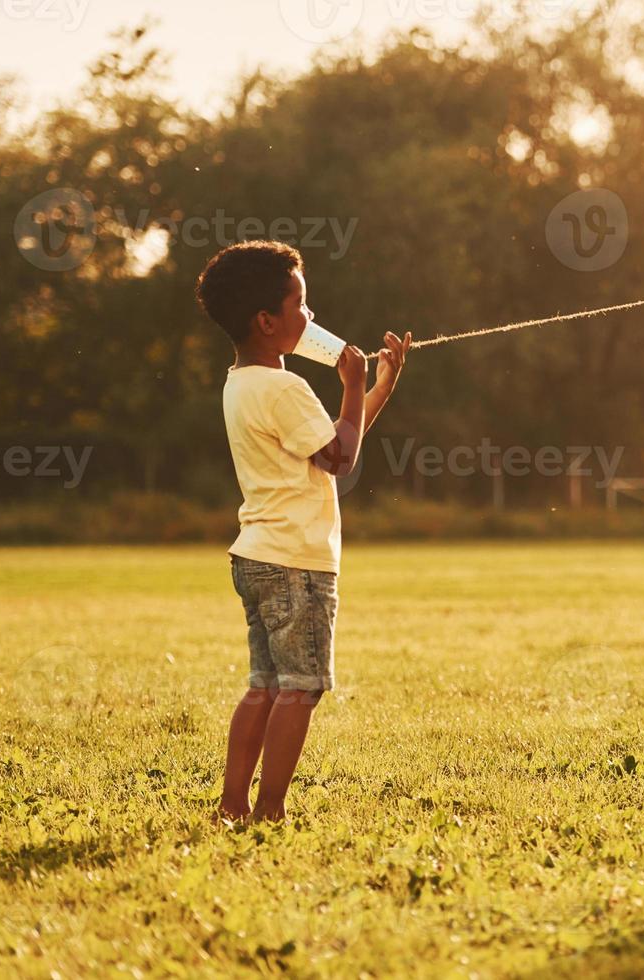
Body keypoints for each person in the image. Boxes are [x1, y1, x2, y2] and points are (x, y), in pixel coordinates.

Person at [195, 240, 411, 822]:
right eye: (301, 304)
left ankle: (232, 805)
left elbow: (332, 443)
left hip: (257, 557)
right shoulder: (286, 388)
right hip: (297, 562)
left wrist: (379, 385)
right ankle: (270, 810)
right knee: (300, 689)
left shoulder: (241, 383)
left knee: (265, 685)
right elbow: (341, 458)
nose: (310, 317)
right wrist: (350, 381)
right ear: (267, 321)